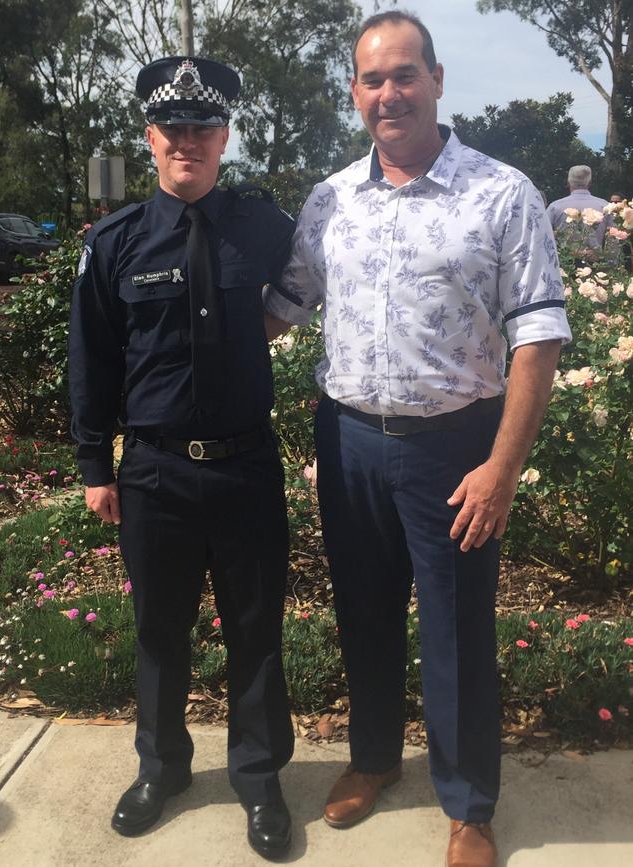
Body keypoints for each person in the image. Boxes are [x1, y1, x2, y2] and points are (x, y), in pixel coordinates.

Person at [263, 11, 571, 867]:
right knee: (362, 615)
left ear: (437, 80)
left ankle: (470, 803)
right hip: (350, 439)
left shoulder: (502, 192)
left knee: (458, 629)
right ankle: (371, 760)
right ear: (354, 93)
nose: (389, 93)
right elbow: (279, 313)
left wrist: (503, 466)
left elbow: (537, 336)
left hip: (457, 446)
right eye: (372, 79)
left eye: (405, 75)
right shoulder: (330, 199)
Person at [68, 56, 295, 860]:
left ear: (224, 135)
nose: (187, 141)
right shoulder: (116, 240)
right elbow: (91, 358)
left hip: (245, 468)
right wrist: (96, 464)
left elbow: (310, 285)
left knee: (256, 631)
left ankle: (260, 779)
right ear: (150, 136)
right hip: (156, 471)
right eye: (173, 127)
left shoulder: (264, 226)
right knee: (161, 631)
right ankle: (161, 768)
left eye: (203, 126)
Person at [546, 165, 610, 255]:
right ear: (590, 183)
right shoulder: (605, 206)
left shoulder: (555, 207)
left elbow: (543, 236)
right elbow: (612, 241)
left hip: (563, 263)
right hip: (596, 264)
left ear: (568, 183)